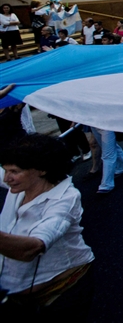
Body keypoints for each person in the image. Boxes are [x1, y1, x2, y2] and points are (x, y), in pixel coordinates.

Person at [0, 134, 95, 320]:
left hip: (63, 294)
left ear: (42, 170)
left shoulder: (66, 199)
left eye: (14, 171)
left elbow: (32, 248)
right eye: (5, 170)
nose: (6, 178)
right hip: (17, 296)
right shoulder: (21, 184)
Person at [93, 125, 123, 194]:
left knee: (108, 154)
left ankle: (107, 184)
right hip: (93, 124)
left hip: (106, 124)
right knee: (110, 147)